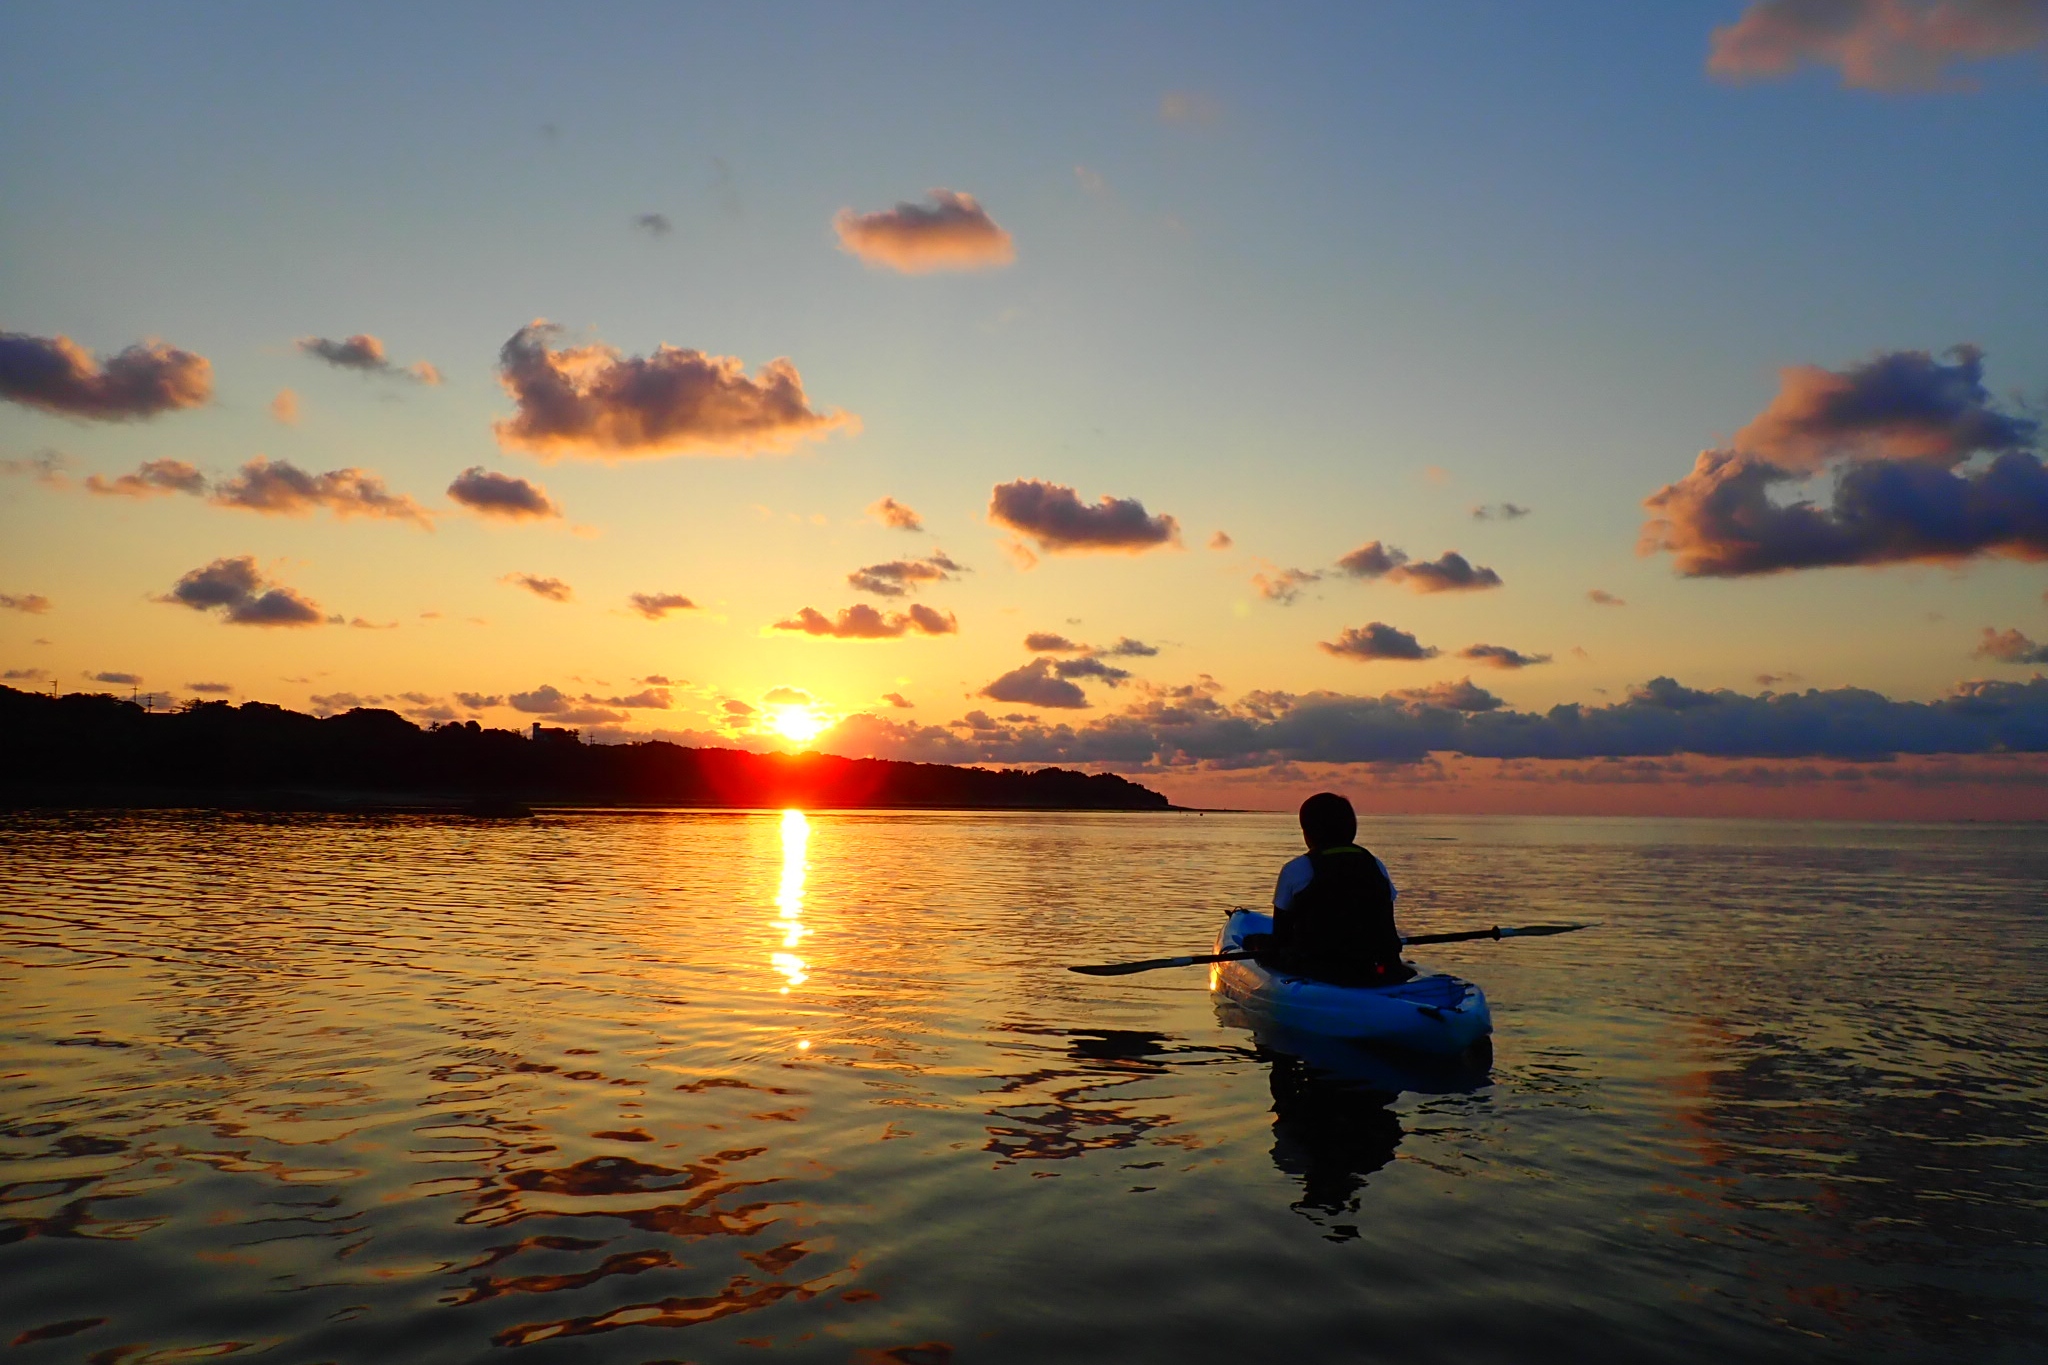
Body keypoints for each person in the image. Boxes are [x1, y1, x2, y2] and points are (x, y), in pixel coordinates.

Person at [1248, 792, 1409, 985]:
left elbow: (1281, 936)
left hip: (1318, 968)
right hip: (1375, 965)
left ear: (1308, 832)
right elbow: (1385, 921)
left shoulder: (1297, 869)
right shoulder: (1375, 864)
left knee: (1253, 941)